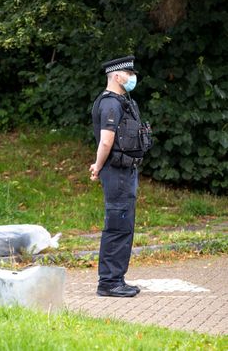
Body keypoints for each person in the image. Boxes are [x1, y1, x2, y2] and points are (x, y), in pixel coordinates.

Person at [89, 55, 153, 298]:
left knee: (123, 225)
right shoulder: (110, 104)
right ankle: (109, 282)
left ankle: (116, 279)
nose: (132, 77)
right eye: (129, 73)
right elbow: (106, 141)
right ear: (117, 76)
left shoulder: (120, 101)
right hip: (117, 173)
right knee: (117, 225)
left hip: (125, 171)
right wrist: (97, 165)